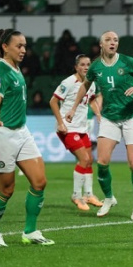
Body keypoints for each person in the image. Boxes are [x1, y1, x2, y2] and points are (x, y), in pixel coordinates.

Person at [65, 30, 133, 220]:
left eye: (115, 40)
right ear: (101, 44)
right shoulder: (96, 66)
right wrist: (73, 108)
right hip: (109, 117)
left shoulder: (128, 61)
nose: (112, 42)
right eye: (108, 40)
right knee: (102, 162)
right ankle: (108, 198)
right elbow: (84, 85)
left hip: (132, 116)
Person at [0, 28, 54, 247]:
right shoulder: (0, 72)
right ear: (5, 47)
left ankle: (30, 232)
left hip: (22, 131)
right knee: (7, 189)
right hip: (2, 134)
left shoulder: (16, 68)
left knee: (39, 182)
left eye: (24, 46)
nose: (23, 50)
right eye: (19, 46)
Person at [50, 54, 104, 211]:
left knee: (89, 160)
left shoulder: (91, 83)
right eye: (83, 64)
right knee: (84, 158)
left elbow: (92, 100)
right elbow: (53, 101)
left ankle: (88, 194)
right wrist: (61, 123)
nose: (86, 67)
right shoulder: (68, 82)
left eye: (88, 64)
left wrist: (98, 114)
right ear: (76, 67)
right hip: (67, 128)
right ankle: (76, 195)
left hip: (82, 128)